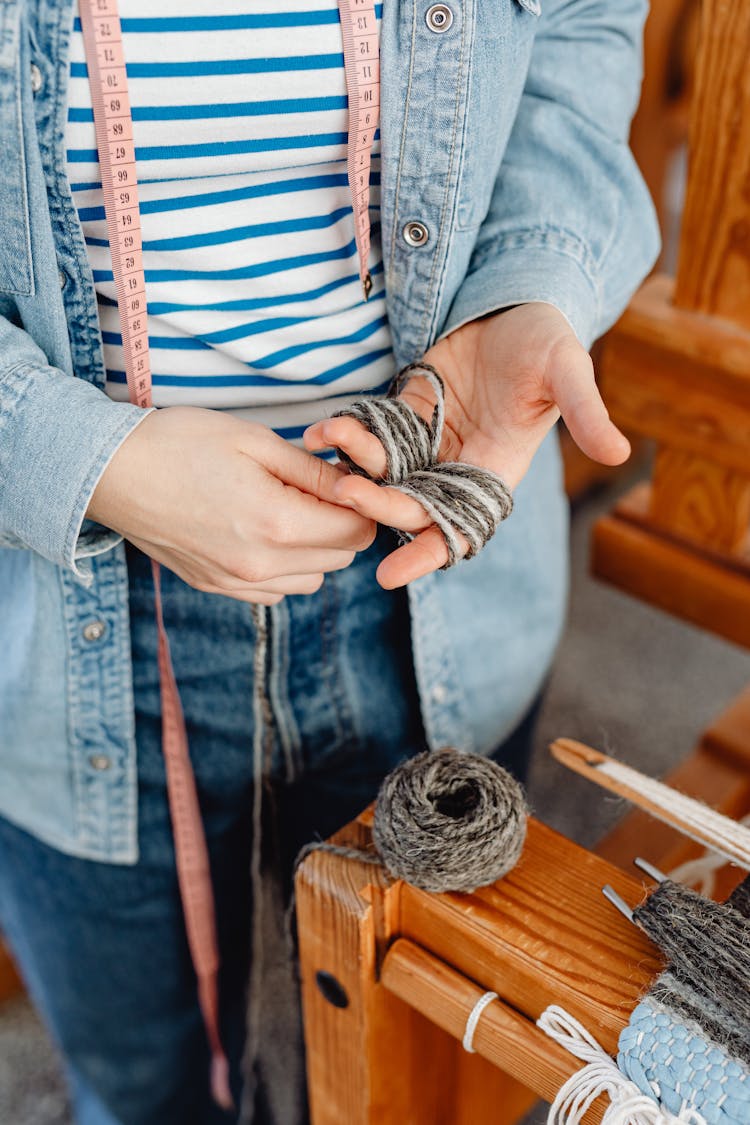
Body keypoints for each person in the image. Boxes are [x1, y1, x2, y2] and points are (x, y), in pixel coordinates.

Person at [0, 0, 659, 1122]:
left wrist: (533, 282)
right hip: (60, 633)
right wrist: (77, 459)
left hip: (440, 586)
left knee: (414, 1069)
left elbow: (581, 29)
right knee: (145, 1087)